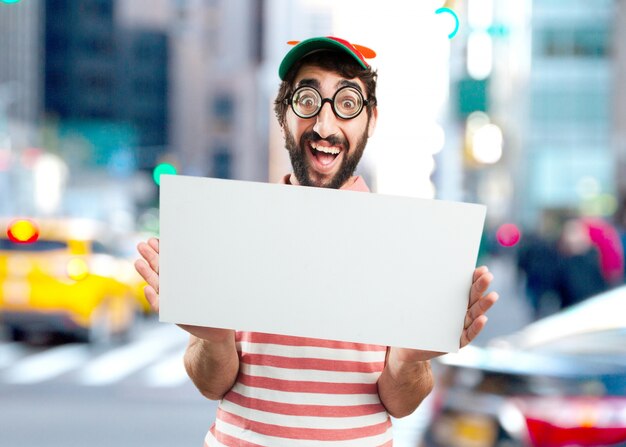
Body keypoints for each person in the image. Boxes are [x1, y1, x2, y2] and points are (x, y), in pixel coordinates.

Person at [135, 36, 498, 447]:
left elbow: (400, 402)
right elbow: (211, 383)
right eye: (308, 101)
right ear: (283, 114)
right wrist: (214, 338)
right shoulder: (237, 225)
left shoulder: (402, 242)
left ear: (371, 119)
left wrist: (406, 362)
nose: (325, 127)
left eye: (347, 104)